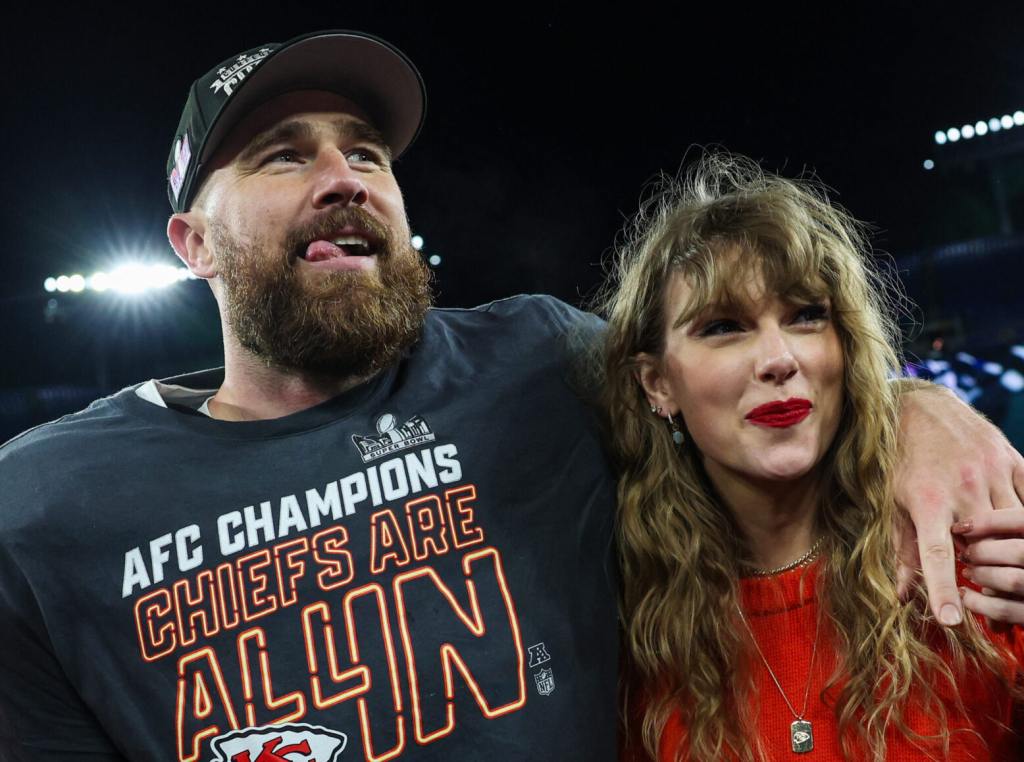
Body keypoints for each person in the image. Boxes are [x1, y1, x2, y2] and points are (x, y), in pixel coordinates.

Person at [0, 30, 1020, 762]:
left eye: (366, 151)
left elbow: (738, 367)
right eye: (283, 154)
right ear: (191, 246)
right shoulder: (44, 510)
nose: (344, 174)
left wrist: (916, 415)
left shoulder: (535, 360)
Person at [601, 153, 1024, 760]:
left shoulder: (969, 558)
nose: (778, 358)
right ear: (657, 385)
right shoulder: (626, 628)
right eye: (723, 326)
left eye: (806, 317)